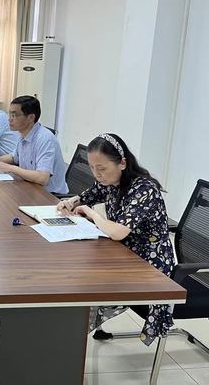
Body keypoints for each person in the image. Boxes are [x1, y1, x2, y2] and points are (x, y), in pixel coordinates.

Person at [56, 133, 175, 346]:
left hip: (149, 265)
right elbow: (88, 196)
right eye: (92, 168)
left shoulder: (144, 189)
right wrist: (71, 202)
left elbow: (118, 232)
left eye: (101, 168)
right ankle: (64, 334)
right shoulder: (111, 180)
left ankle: (66, 340)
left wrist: (91, 214)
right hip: (122, 253)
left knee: (84, 288)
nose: (97, 174)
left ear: (122, 163)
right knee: (71, 273)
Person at [0, 95, 68, 195]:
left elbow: (42, 177)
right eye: (9, 114)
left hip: (49, 196)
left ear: (31, 117)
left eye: (14, 115)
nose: (9, 119)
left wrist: (10, 168)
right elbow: (14, 157)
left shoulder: (45, 139)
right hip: (30, 187)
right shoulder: (23, 133)